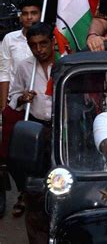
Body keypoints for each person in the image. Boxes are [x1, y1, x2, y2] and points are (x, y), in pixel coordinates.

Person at [9, 22, 54, 243]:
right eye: (34, 45)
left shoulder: (67, 62)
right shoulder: (25, 66)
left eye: (43, 43)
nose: (39, 50)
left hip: (63, 130)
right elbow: (13, 97)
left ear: (52, 42)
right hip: (37, 128)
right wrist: (21, 98)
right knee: (36, 188)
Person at [0, 0, 41, 217]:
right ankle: (23, 192)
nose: (29, 17)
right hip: (16, 102)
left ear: (40, 14)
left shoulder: (49, 38)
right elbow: (5, 70)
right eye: (25, 13)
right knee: (11, 154)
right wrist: (5, 104)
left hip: (40, 104)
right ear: (20, 16)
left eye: (33, 13)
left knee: (37, 151)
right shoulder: (10, 39)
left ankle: (37, 194)